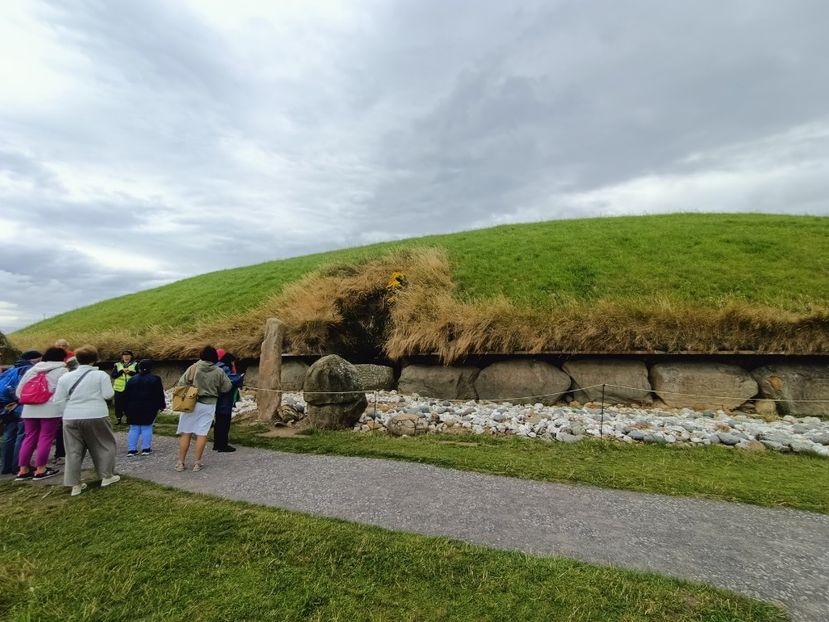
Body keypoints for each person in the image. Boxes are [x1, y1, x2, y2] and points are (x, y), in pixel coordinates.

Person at [53, 345, 119, 496]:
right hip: (96, 414)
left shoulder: (65, 377)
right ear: (95, 360)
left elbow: (58, 400)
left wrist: (67, 411)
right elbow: (108, 395)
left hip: (71, 416)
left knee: (73, 451)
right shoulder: (101, 375)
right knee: (105, 445)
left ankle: (74, 484)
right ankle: (106, 476)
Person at [14, 347, 68, 480]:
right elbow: (63, 391)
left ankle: (23, 469)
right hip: (50, 408)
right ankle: (41, 469)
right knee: (46, 437)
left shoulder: (33, 370)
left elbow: (19, 391)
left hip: (29, 408)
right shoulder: (62, 370)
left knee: (29, 437)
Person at [175, 346, 231, 472]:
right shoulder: (218, 371)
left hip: (190, 402)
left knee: (186, 432)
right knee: (202, 433)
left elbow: (181, 383)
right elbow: (227, 387)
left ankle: (181, 462)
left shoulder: (194, 367)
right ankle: (197, 463)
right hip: (208, 404)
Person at [1, 350, 42, 475]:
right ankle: (19, 466)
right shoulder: (28, 371)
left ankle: (6, 466)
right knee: (23, 435)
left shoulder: (11, 370)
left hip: (4, 406)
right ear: (34, 360)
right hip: (19, 405)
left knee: (9, 436)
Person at [123, 359, 165, 456]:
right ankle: (146, 449)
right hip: (149, 406)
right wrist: (162, 405)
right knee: (146, 427)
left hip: (132, 407)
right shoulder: (155, 379)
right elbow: (159, 394)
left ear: (139, 368)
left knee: (134, 428)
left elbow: (125, 395)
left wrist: (125, 408)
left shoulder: (132, 379)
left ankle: (131, 450)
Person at [213, 351, 244, 453]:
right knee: (224, 423)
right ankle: (223, 445)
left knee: (218, 422)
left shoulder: (216, 366)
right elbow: (232, 380)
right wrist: (241, 376)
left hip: (217, 399)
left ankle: (217, 444)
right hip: (224, 400)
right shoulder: (224, 368)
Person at [52, 339, 75, 465]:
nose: (61, 347)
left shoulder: (72, 356)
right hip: (59, 393)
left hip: (69, 392)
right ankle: (60, 453)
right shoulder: (53, 358)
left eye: (63, 346)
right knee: (61, 425)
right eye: (59, 345)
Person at [111, 350, 137, 425]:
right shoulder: (117, 365)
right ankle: (118, 419)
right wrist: (121, 372)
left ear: (131, 356)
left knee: (129, 405)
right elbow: (113, 375)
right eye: (124, 355)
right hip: (119, 389)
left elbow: (138, 374)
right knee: (118, 405)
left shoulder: (135, 364)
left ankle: (129, 419)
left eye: (128, 355)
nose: (126, 357)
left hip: (131, 389)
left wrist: (130, 372)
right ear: (122, 357)